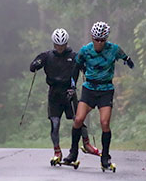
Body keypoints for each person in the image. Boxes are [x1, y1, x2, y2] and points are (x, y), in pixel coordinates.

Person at [63, 21, 134, 168]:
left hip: (106, 90)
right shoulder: (85, 50)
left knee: (105, 123)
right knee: (78, 119)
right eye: (96, 39)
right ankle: (73, 152)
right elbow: (75, 68)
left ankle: (105, 156)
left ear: (106, 39)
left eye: (102, 40)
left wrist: (128, 61)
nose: (99, 43)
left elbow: (124, 56)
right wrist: (71, 87)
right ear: (92, 37)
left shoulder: (113, 49)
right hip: (89, 89)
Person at [30, 28, 99, 162]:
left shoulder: (74, 56)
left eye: (63, 45)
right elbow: (32, 67)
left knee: (78, 120)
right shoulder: (47, 56)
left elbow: (86, 70)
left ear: (66, 44)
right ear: (54, 44)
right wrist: (36, 64)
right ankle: (57, 152)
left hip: (69, 93)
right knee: (55, 124)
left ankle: (86, 143)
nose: (60, 48)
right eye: (57, 45)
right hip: (54, 94)